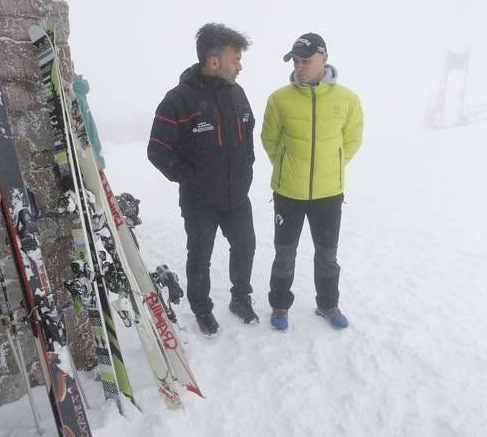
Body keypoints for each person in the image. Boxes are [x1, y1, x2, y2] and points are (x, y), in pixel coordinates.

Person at [147, 23, 258, 335]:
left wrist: (247, 166)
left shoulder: (238, 94)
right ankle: (202, 309)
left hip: (237, 197)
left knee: (245, 247)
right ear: (214, 61)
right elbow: (157, 150)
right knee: (200, 258)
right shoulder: (178, 100)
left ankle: (240, 297)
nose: (239, 66)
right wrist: (191, 177)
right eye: (235, 59)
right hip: (199, 202)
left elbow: (248, 133)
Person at [260, 32, 363, 332]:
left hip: (329, 193)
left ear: (324, 58)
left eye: (305, 59)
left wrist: (330, 167)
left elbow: (352, 140)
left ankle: (328, 304)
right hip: (288, 193)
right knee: (284, 253)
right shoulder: (279, 99)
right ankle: (280, 304)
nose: (299, 65)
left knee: (328, 254)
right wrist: (287, 167)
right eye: (295, 60)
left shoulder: (347, 99)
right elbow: (269, 139)